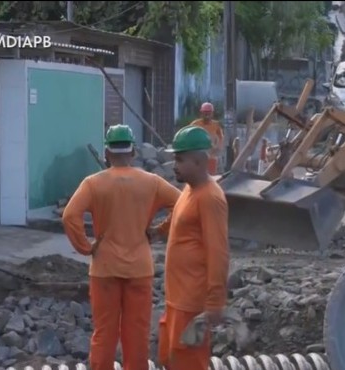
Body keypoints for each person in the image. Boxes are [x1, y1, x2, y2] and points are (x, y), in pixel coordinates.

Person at [62, 124, 181, 370]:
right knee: (136, 335)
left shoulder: (93, 183)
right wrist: (159, 231)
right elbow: (183, 205)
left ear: (107, 153)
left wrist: (86, 247)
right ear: (133, 152)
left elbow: (70, 216)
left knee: (104, 333)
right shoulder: (152, 182)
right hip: (139, 269)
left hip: (104, 269)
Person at [155, 126, 230, 370]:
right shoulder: (189, 190)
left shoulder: (210, 198)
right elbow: (178, 218)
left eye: (179, 159)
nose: (174, 164)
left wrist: (215, 301)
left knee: (189, 362)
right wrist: (156, 231)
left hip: (192, 302)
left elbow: (218, 252)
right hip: (176, 298)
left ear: (198, 162)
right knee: (171, 359)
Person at [188, 102, 225, 175]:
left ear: (212, 114)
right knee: (199, 175)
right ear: (201, 114)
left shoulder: (216, 125)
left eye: (209, 113)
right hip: (198, 154)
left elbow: (221, 136)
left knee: (211, 175)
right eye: (205, 113)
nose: (207, 115)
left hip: (211, 154)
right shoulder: (195, 124)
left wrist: (219, 146)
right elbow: (187, 135)